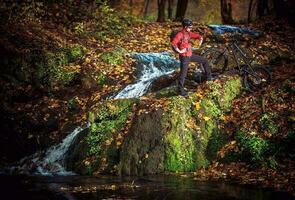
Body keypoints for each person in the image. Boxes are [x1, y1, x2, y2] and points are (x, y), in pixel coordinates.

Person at [171, 19, 214, 97]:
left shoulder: (188, 33)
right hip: (184, 57)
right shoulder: (180, 34)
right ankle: (180, 90)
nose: (191, 28)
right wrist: (179, 51)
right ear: (186, 27)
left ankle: (209, 77)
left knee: (204, 61)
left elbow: (195, 35)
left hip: (190, 55)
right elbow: (173, 43)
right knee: (183, 74)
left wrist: (200, 38)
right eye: (190, 27)